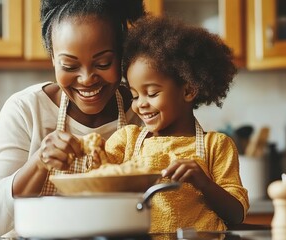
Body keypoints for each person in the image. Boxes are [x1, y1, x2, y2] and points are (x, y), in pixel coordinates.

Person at [0, 0, 145, 237]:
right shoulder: (26, 110)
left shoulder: (143, 111)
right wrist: (39, 162)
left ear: (121, 54)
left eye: (103, 63)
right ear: (53, 58)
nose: (86, 79)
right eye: (69, 65)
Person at [103, 16, 250, 233]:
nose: (140, 104)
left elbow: (236, 215)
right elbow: (96, 179)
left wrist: (204, 182)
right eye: (134, 96)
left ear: (188, 90)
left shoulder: (216, 146)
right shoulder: (128, 141)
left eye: (151, 93)